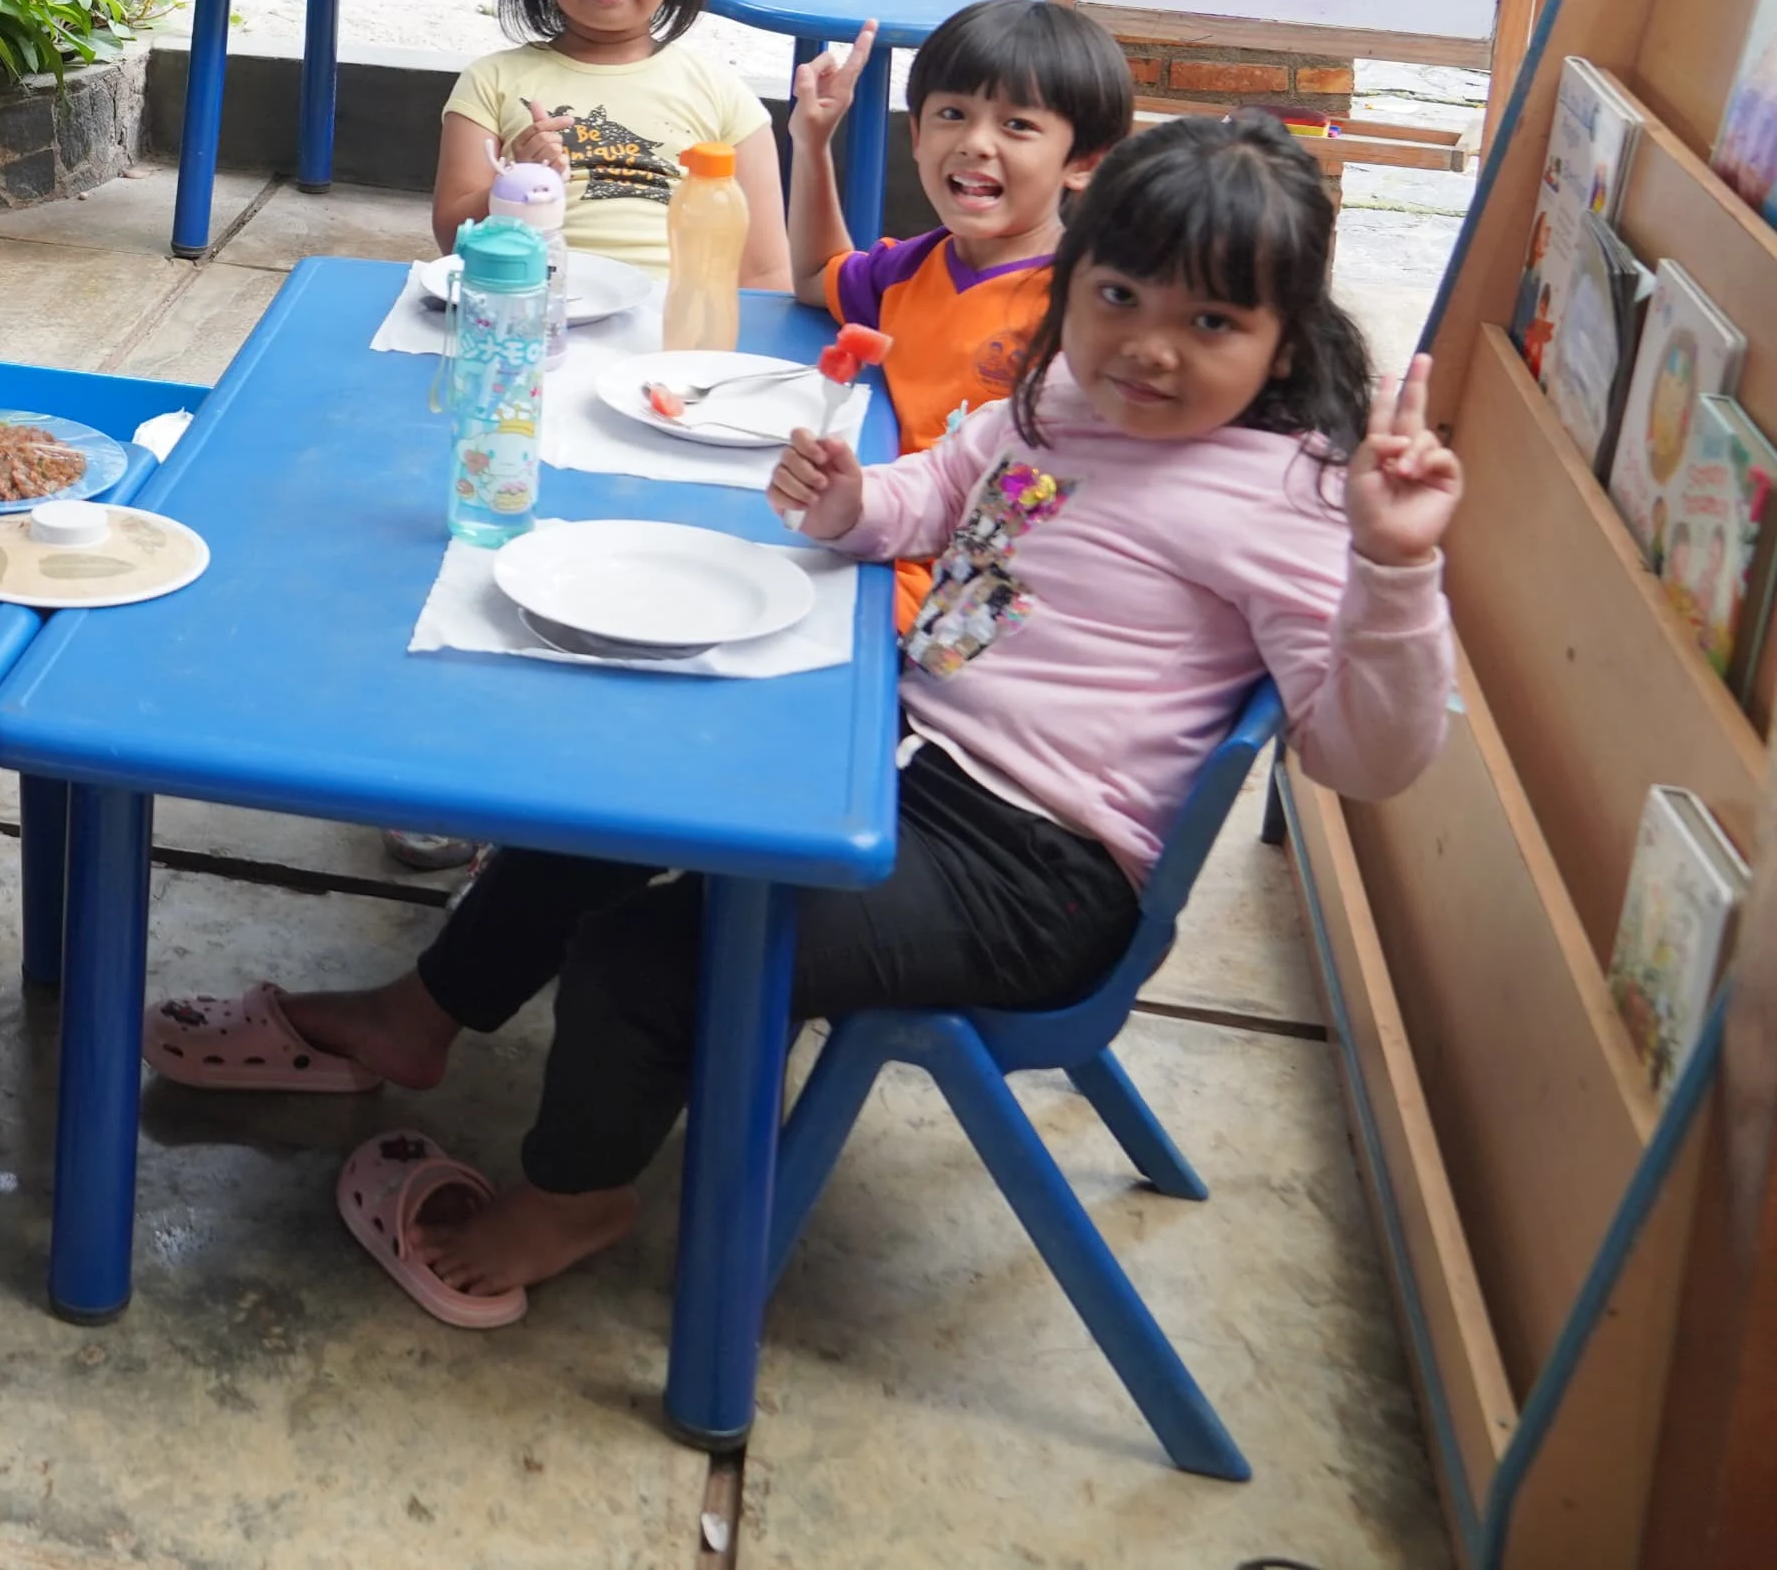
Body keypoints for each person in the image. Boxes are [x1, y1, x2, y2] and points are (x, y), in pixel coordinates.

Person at [143, 114, 1461, 1326]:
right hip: (899, 757)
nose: (1149, 347)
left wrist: (1397, 572)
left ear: (1288, 342)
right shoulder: (1061, 401)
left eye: (1212, 322)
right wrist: (848, 503)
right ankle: (424, 1012)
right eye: (1118, 295)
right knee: (613, 784)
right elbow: (939, 489)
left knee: (648, 960)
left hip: (1036, 869)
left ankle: (575, 1192)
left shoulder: (1290, 493)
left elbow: (1366, 753)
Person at [432, 0, 786, 284]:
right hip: (535, 311)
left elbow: (767, 271)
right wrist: (514, 183)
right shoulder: (490, 82)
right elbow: (450, 238)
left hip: (673, 326)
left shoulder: (721, 93)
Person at [787, 0, 1131, 461]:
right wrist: (812, 144)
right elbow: (816, 275)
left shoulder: (1086, 308)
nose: (975, 143)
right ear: (917, 136)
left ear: (1085, 162)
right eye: (952, 114)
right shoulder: (907, 270)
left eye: (1017, 124)